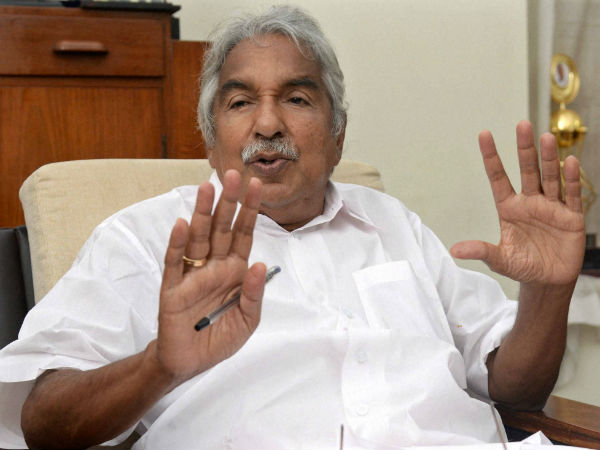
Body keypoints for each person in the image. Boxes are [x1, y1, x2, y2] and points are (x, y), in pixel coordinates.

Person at [0, 5, 585, 450]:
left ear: (338, 135)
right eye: (239, 103)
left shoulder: (394, 224)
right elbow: (41, 421)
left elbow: (515, 388)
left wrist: (549, 292)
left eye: (298, 99)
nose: (268, 123)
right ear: (211, 141)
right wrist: (159, 364)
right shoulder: (144, 238)